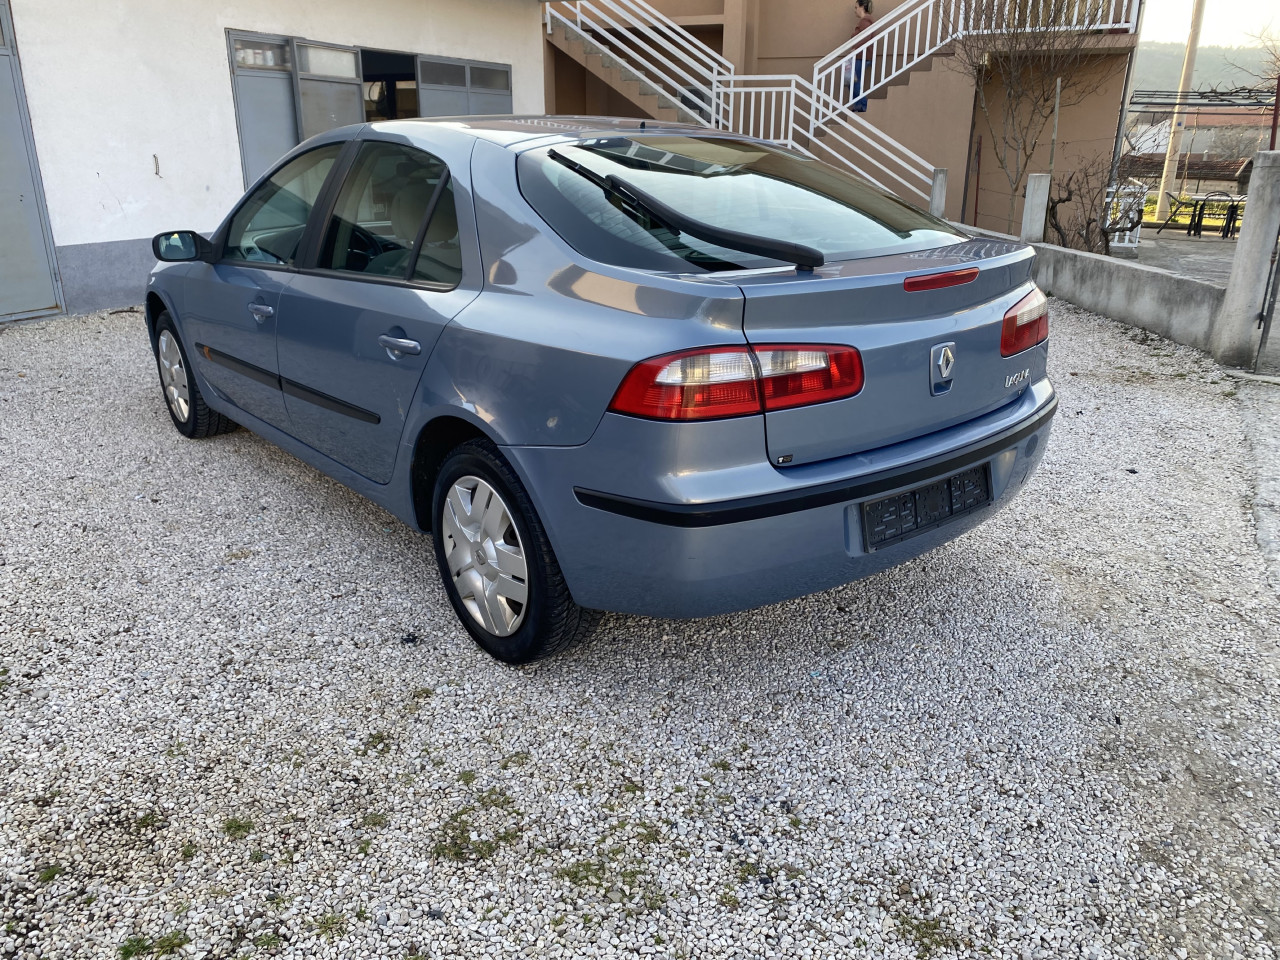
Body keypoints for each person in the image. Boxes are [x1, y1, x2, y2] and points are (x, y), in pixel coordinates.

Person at [845, 0, 874, 113]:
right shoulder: (864, 21)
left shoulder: (865, 21)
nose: (855, 10)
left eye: (856, 7)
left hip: (861, 56)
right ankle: (859, 106)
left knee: (853, 82)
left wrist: (854, 48)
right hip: (859, 56)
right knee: (851, 81)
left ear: (862, 7)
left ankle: (863, 106)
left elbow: (865, 38)